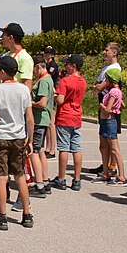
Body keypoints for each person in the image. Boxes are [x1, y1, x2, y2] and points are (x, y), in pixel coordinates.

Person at [0, 56, 34, 230]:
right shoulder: (23, 90)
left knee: (1, 176)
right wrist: (29, 138)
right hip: (19, 136)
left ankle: (2, 216)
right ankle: (26, 214)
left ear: (3, 72)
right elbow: (29, 117)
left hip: (0, 136)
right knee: (20, 175)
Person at [51, 54, 87, 191]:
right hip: (76, 115)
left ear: (74, 66)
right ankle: (77, 179)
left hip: (65, 115)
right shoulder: (82, 81)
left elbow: (60, 100)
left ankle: (61, 177)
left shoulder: (65, 81)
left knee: (64, 148)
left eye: (68, 64)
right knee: (76, 147)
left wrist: (55, 94)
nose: (65, 66)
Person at [88, 42, 122, 177]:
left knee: (111, 139)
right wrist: (98, 86)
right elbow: (97, 85)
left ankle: (112, 166)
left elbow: (101, 87)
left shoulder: (115, 68)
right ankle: (105, 164)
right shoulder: (106, 68)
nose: (104, 52)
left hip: (110, 108)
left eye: (106, 50)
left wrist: (99, 86)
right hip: (103, 105)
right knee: (104, 139)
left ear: (114, 53)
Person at [97, 68, 127, 186]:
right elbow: (122, 104)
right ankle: (105, 173)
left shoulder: (114, 92)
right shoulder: (113, 91)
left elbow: (108, 109)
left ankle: (121, 176)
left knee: (114, 149)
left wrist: (101, 105)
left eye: (106, 79)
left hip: (110, 121)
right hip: (105, 121)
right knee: (103, 147)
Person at [29, 56, 54, 198]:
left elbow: (42, 103)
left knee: (34, 151)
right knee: (41, 151)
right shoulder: (48, 79)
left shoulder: (43, 81)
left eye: (34, 69)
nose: (33, 73)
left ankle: (39, 185)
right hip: (43, 120)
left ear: (38, 67)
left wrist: (29, 102)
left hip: (39, 119)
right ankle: (45, 180)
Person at [0, 23, 33, 91]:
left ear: (10, 37)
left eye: (3, 34)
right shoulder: (6, 55)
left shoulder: (25, 58)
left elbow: (27, 87)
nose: (1, 37)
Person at [42, 46, 59, 158]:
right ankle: (48, 147)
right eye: (45, 52)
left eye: (48, 53)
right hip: (47, 94)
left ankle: (52, 149)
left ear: (52, 55)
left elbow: (48, 77)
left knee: (51, 123)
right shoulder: (47, 65)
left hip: (51, 95)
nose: (46, 54)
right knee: (48, 123)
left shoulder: (52, 66)